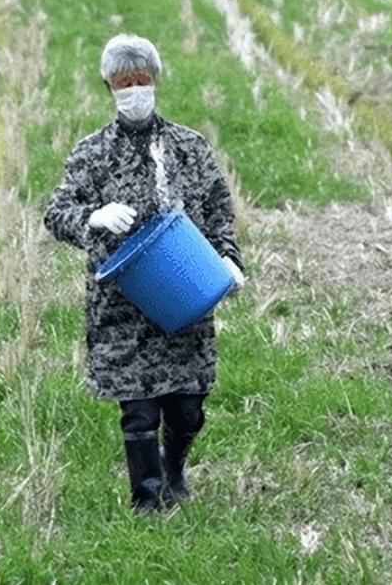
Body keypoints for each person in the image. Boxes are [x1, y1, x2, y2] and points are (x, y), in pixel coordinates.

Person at [44, 34, 246, 510]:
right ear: (109, 87)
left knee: (187, 407)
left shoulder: (187, 147)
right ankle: (147, 502)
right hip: (123, 304)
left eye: (141, 80)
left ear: (155, 81)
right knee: (137, 412)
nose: (133, 89)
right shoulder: (92, 153)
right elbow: (57, 212)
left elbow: (218, 209)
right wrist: (91, 217)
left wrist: (229, 258)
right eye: (122, 82)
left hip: (184, 290)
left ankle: (174, 469)